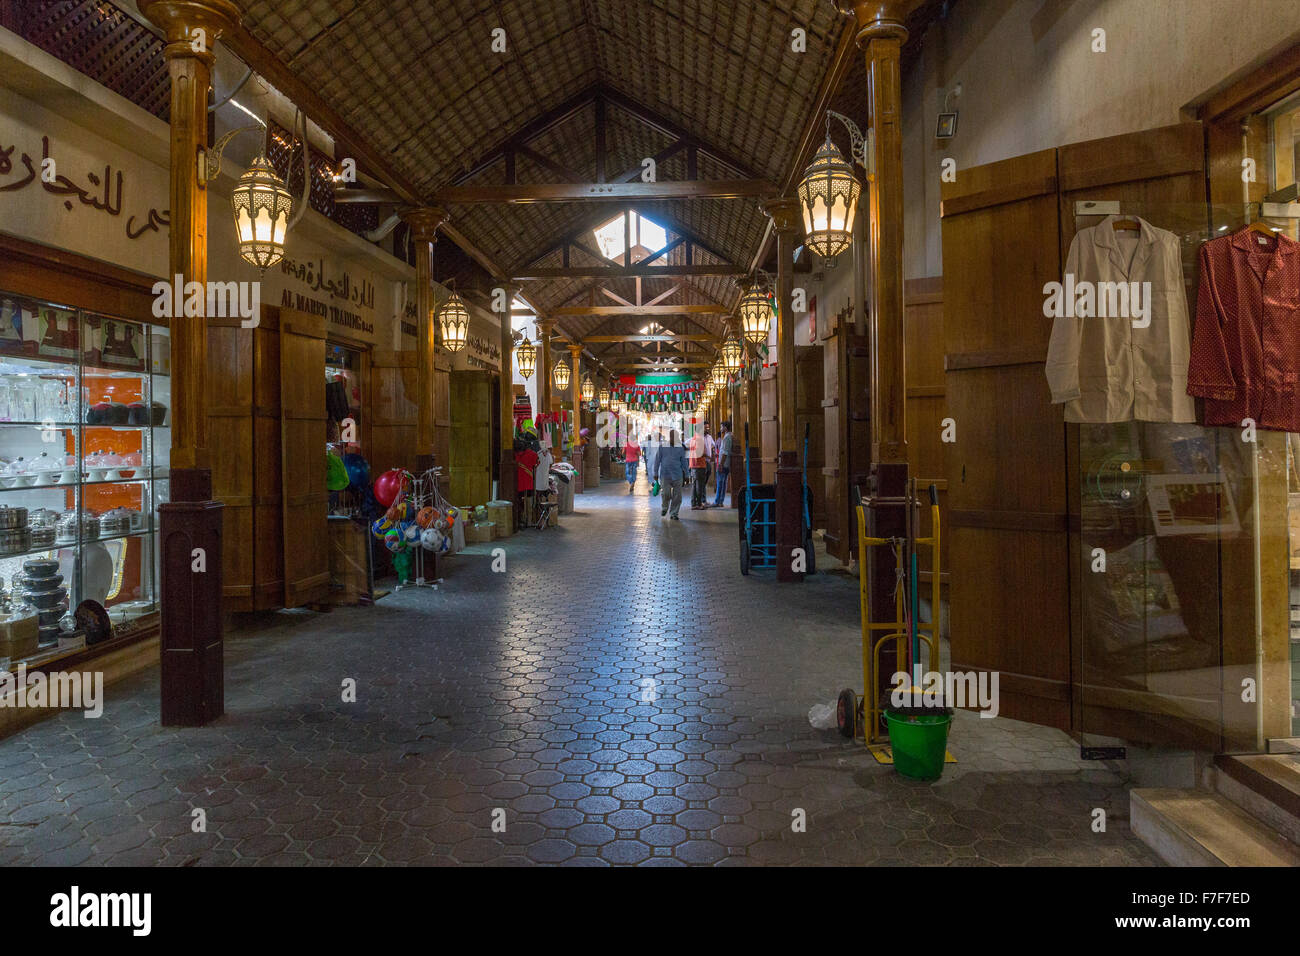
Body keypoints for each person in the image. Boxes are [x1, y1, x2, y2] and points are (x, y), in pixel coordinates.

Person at [654, 428, 687, 520]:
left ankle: (674, 513)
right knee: (665, 494)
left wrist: (687, 475)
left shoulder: (680, 448)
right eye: (672, 436)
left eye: (676, 436)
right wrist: (655, 473)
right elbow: (657, 460)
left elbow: (684, 462)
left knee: (677, 496)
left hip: (678, 475)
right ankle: (664, 508)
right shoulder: (662, 447)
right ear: (670, 436)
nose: (674, 438)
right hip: (665, 475)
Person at [713, 420, 732, 507]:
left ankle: (718, 501)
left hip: (724, 464)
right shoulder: (727, 437)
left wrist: (720, 464)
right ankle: (720, 501)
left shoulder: (727, 437)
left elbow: (725, 452)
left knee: (720, 483)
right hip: (725, 463)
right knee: (723, 483)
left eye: (721, 427)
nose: (720, 429)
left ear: (725, 427)